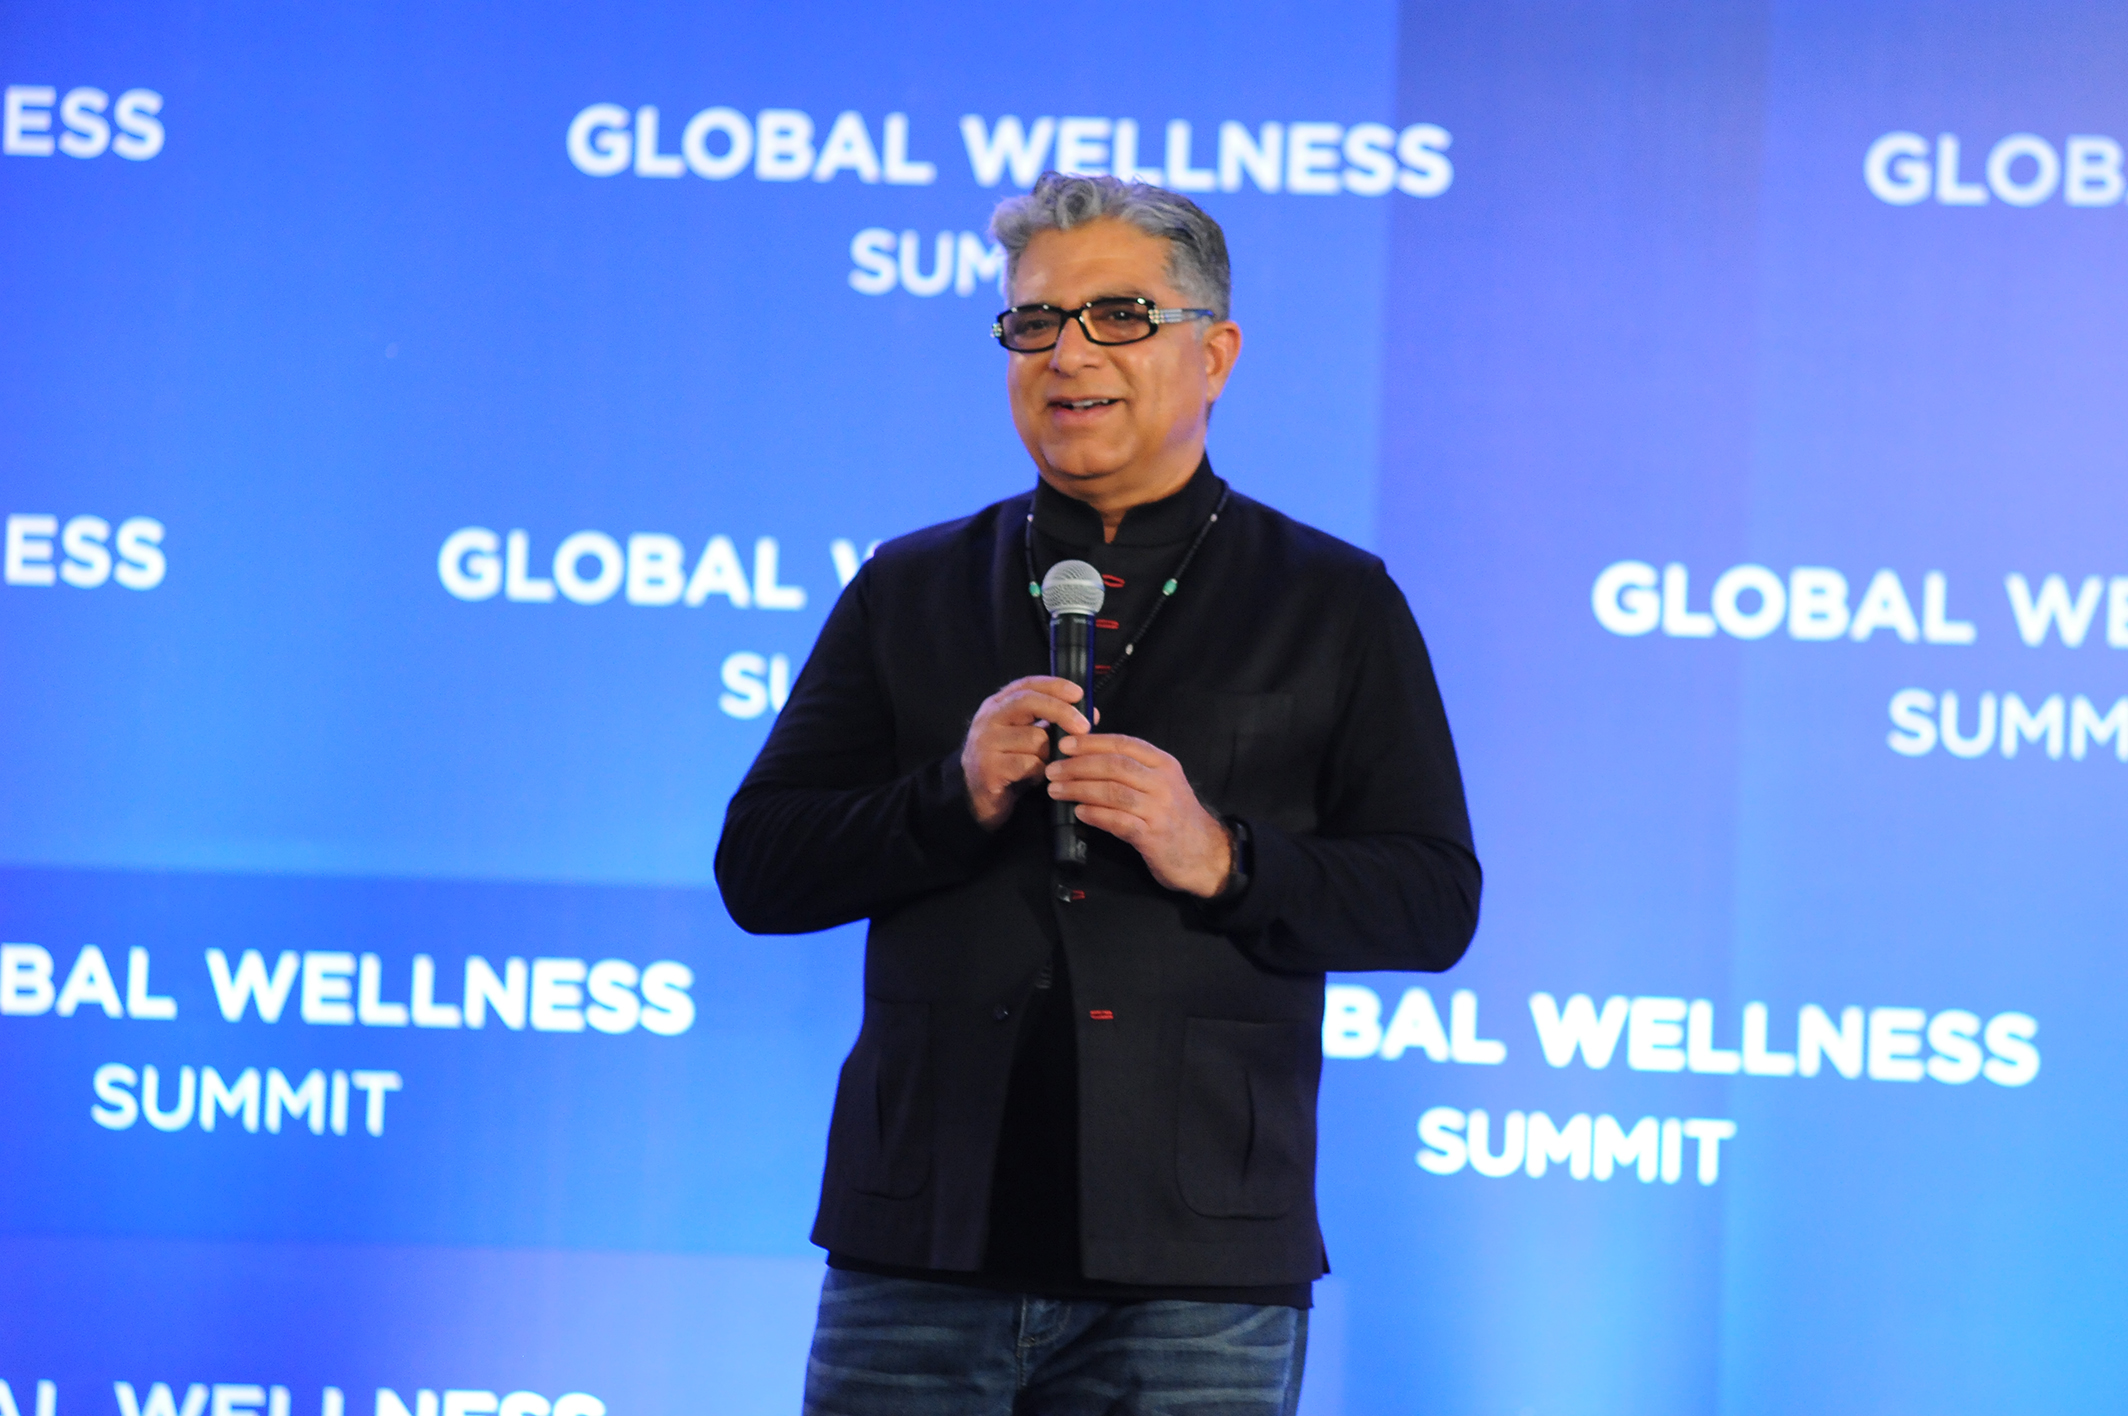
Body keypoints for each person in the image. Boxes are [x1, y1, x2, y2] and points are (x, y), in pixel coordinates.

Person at [715, 172, 1479, 1415]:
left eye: (1118, 316)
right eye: (1034, 322)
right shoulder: (910, 587)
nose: (1068, 354)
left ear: (1213, 354)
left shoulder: (1332, 601)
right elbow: (760, 868)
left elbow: (1431, 900)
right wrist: (953, 795)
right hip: (920, 1250)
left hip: (1196, 1272)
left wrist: (1221, 855)